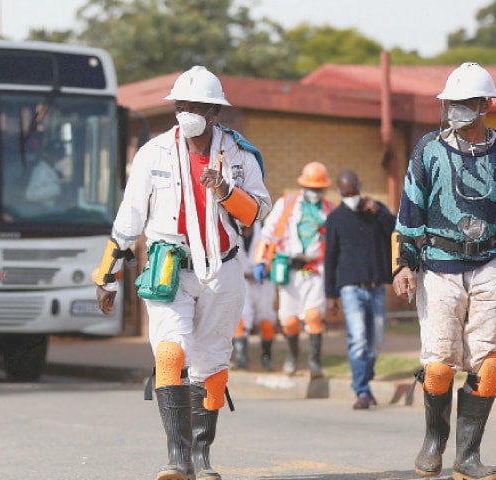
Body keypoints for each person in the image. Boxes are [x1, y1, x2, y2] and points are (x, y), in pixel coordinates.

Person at [94, 65, 271, 480]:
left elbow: (259, 211)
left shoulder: (240, 155)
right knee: (170, 353)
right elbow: (130, 217)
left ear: (214, 112)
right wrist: (107, 275)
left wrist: (225, 190)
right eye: (180, 105)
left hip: (222, 270)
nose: (185, 112)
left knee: (211, 364)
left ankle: (201, 455)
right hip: (169, 269)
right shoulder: (153, 153)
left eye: (194, 106)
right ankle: (177, 457)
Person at [392, 62, 496, 480]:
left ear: (485, 105)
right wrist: (403, 263)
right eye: (451, 103)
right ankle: (433, 442)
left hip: (493, 263)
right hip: (439, 266)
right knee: (439, 365)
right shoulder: (429, 149)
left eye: (465, 103)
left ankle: (468, 456)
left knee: (488, 363)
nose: (456, 109)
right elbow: (408, 214)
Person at [252, 161, 334, 378]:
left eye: (319, 189)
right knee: (289, 320)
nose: (315, 193)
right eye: (311, 188)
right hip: (288, 271)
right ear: (303, 186)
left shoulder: (329, 209)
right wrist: (260, 261)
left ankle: (315, 363)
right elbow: (267, 234)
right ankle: (292, 356)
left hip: (316, 270)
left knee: (314, 316)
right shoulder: (287, 204)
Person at [324, 170, 395, 409]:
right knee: (358, 340)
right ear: (339, 193)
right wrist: (330, 295)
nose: (350, 197)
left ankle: (365, 376)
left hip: (376, 286)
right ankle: (362, 391)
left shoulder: (376, 211)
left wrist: (378, 211)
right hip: (349, 287)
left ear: (359, 187)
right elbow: (330, 258)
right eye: (345, 194)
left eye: (353, 192)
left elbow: (395, 230)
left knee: (376, 340)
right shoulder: (335, 219)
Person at [232, 221, 278, 371]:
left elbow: (274, 249)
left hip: (263, 280)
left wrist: (266, 267)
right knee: (242, 317)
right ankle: (241, 358)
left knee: (266, 317)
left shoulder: (265, 227)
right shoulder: (231, 227)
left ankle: (266, 357)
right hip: (241, 279)